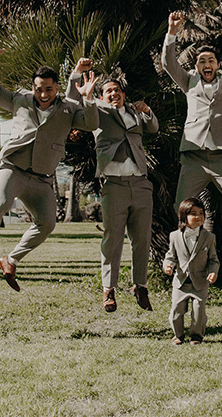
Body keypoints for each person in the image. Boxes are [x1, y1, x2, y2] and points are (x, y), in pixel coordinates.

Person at [0, 34, 98, 291]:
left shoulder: (68, 108)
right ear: (33, 87)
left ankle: (10, 259)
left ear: (56, 88)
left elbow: (91, 124)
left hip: (42, 177)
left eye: (48, 89)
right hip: (12, 167)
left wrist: (89, 98)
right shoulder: (20, 100)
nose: (43, 94)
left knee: (47, 223)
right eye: (39, 89)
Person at [67, 61, 159, 312]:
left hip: (141, 183)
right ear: (101, 95)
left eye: (117, 90)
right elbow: (73, 105)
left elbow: (153, 127)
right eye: (108, 91)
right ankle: (109, 288)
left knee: (142, 239)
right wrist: (84, 91)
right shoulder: (96, 110)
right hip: (114, 186)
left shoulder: (133, 111)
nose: (114, 94)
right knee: (113, 238)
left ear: (124, 94)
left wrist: (147, 110)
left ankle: (140, 285)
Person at [161, 11, 222, 245]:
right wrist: (172, 31)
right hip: (194, 155)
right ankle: (184, 245)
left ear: (218, 65)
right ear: (196, 65)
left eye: (211, 61)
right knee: (180, 206)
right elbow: (168, 63)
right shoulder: (188, 81)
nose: (207, 64)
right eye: (202, 61)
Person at [163, 197, 219, 345]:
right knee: (176, 310)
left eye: (201, 213)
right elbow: (171, 256)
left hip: (200, 282)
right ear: (183, 217)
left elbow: (213, 259)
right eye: (193, 214)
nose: (198, 217)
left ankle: (196, 336)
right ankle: (178, 335)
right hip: (180, 282)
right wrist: (167, 265)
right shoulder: (174, 236)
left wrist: (213, 272)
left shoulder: (209, 237)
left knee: (198, 311)